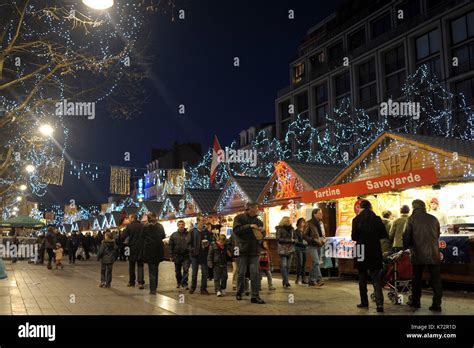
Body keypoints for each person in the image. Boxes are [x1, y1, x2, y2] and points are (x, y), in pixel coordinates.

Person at [403, 199, 442, 312]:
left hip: (418, 253)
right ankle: (437, 304)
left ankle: (416, 302)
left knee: (416, 279)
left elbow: (406, 237)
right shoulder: (434, 218)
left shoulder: (411, 219)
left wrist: (406, 247)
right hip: (434, 253)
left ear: (414, 207)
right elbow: (438, 234)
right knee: (436, 280)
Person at [351, 200, 387, 313]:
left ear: (361, 208)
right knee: (376, 278)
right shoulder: (377, 219)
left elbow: (354, 237)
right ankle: (379, 304)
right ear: (370, 207)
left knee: (362, 276)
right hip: (374, 249)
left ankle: (364, 302)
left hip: (360, 249)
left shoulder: (356, 219)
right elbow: (383, 234)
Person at [233, 202, 265, 304]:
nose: (258, 209)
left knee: (255, 274)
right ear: (250, 208)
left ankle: (255, 296)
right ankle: (239, 292)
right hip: (242, 250)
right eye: (256, 208)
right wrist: (250, 226)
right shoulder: (239, 218)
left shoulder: (259, 221)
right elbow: (236, 230)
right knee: (241, 272)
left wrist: (262, 231)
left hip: (254, 250)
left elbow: (262, 235)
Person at [142, 213, 166, 295]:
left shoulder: (145, 226)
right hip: (158, 250)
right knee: (155, 269)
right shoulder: (160, 226)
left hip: (149, 250)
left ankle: (152, 289)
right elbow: (163, 236)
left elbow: (142, 236)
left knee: (151, 270)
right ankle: (154, 287)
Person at [187, 215, 211, 295]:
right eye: (202, 220)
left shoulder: (206, 231)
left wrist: (207, 244)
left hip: (204, 255)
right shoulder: (192, 231)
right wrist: (192, 250)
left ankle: (203, 289)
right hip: (195, 256)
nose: (203, 222)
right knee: (194, 273)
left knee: (205, 273)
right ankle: (193, 288)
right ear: (198, 221)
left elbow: (210, 241)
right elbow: (188, 243)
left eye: (204, 220)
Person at [303, 209, 325, 287]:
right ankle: (319, 279)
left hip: (319, 245)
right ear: (314, 214)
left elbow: (322, 234)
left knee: (314, 263)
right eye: (320, 213)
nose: (321, 214)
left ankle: (311, 280)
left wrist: (323, 240)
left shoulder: (321, 223)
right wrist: (312, 239)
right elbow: (304, 235)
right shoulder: (309, 223)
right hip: (312, 245)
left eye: (321, 213)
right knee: (316, 262)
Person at [123, 214, 145, 289]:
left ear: (132, 218)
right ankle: (140, 282)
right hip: (141, 248)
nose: (128, 219)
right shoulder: (142, 226)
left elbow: (124, 236)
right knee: (140, 265)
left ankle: (132, 282)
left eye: (129, 218)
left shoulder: (129, 226)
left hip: (131, 248)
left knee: (131, 266)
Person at [169, 220, 191, 290]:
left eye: (182, 224)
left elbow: (191, 244)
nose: (181, 226)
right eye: (179, 224)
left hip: (186, 255)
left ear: (184, 225)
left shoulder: (188, 234)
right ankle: (179, 282)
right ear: (178, 226)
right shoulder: (174, 235)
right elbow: (170, 246)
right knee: (177, 271)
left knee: (186, 269)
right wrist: (171, 255)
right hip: (177, 255)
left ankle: (184, 283)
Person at [276, 216, 295, 288]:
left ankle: (285, 281)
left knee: (288, 266)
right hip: (283, 250)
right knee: (284, 265)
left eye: (289, 221)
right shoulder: (280, 229)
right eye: (287, 221)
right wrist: (289, 240)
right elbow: (278, 239)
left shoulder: (292, 229)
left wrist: (295, 241)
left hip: (290, 249)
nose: (289, 222)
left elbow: (295, 238)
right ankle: (286, 281)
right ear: (283, 221)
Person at [294, 218, 308, 284]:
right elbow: (296, 241)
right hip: (298, 248)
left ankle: (303, 278)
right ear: (299, 223)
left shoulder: (305, 231)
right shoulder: (296, 231)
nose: (303, 223)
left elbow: (307, 238)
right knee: (300, 263)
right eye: (302, 222)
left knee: (304, 264)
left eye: (304, 222)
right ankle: (297, 278)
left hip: (304, 248)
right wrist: (303, 243)